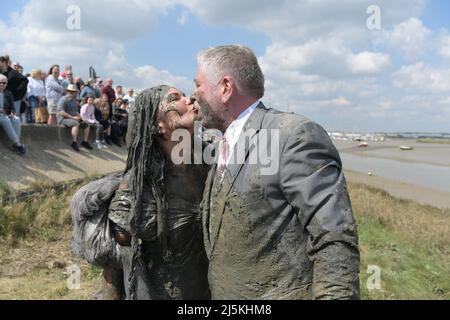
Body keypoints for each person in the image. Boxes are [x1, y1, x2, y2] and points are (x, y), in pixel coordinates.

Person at [194, 45, 360, 300]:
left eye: (199, 85)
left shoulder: (293, 135)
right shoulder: (221, 148)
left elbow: (334, 238)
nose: (195, 95)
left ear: (225, 87)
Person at [71, 85, 210, 300]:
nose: (189, 99)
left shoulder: (207, 168)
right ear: (158, 125)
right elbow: (115, 270)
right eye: (175, 98)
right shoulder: (135, 190)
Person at [57, 84, 92, 152]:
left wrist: (81, 118)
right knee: (75, 123)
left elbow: (76, 112)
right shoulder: (63, 99)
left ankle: (85, 141)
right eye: (70, 91)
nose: (72, 93)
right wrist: (73, 117)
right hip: (63, 119)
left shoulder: (74, 101)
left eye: (73, 92)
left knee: (86, 124)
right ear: (68, 91)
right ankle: (74, 142)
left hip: (72, 118)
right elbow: (61, 112)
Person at [0, 74, 26, 155]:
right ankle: (17, 144)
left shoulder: (8, 94)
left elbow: (12, 108)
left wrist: (11, 113)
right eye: (0, 82)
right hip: (1, 115)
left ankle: (15, 144)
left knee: (16, 119)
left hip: (5, 114)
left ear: (6, 84)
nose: (1, 84)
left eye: (4, 83)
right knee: (6, 120)